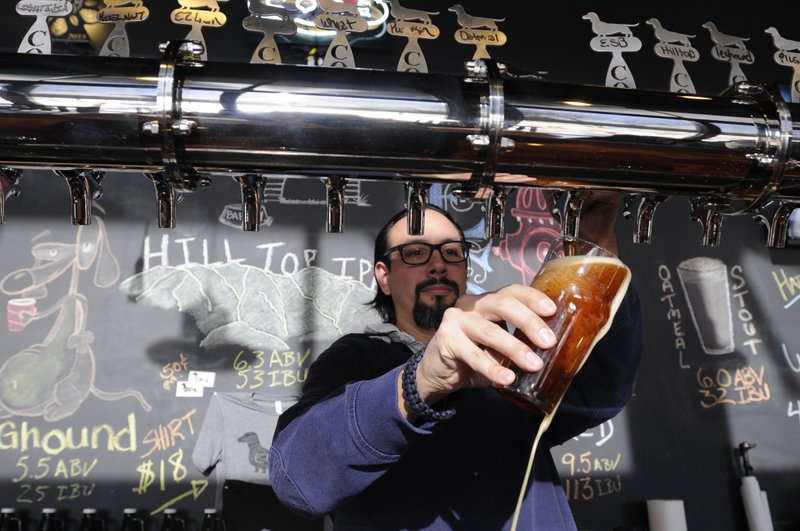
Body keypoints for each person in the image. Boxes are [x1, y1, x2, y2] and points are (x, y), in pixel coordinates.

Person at [269, 192, 643, 530]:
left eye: (451, 252)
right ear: (384, 276)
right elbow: (298, 481)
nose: (438, 265)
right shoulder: (356, 357)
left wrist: (593, 253)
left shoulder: (504, 353)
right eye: (415, 252)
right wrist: (418, 384)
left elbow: (602, 393)